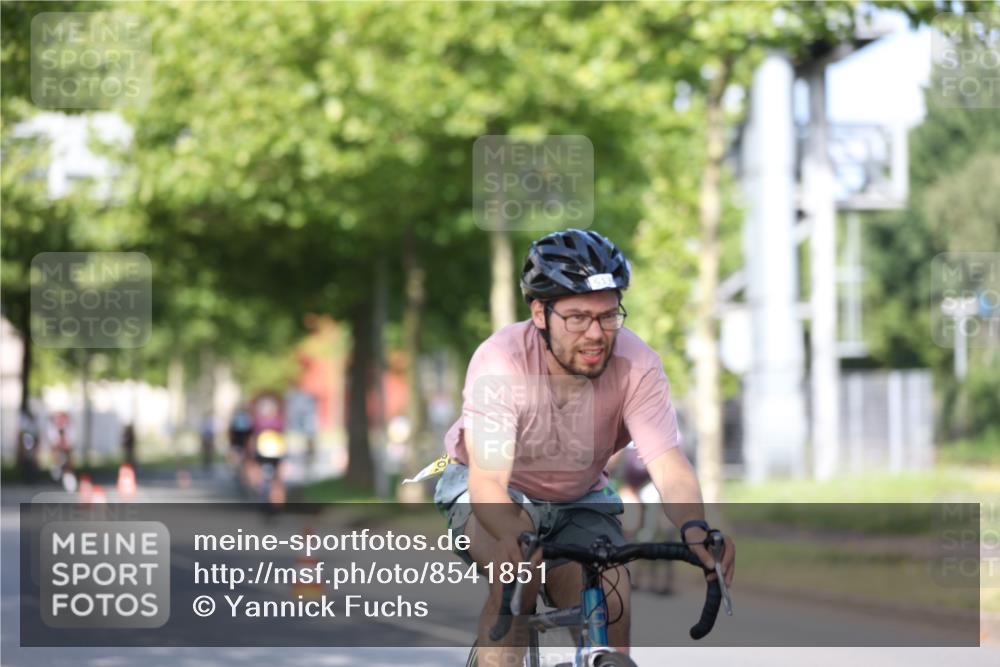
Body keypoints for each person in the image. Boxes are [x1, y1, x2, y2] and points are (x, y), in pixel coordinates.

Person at [433, 228, 735, 665]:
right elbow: (489, 483)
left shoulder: (638, 365)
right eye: (577, 317)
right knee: (517, 579)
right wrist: (515, 535)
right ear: (540, 313)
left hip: (579, 497)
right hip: (495, 490)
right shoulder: (501, 361)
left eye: (608, 316)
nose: (596, 334)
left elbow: (669, 466)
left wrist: (694, 527)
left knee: (613, 597)